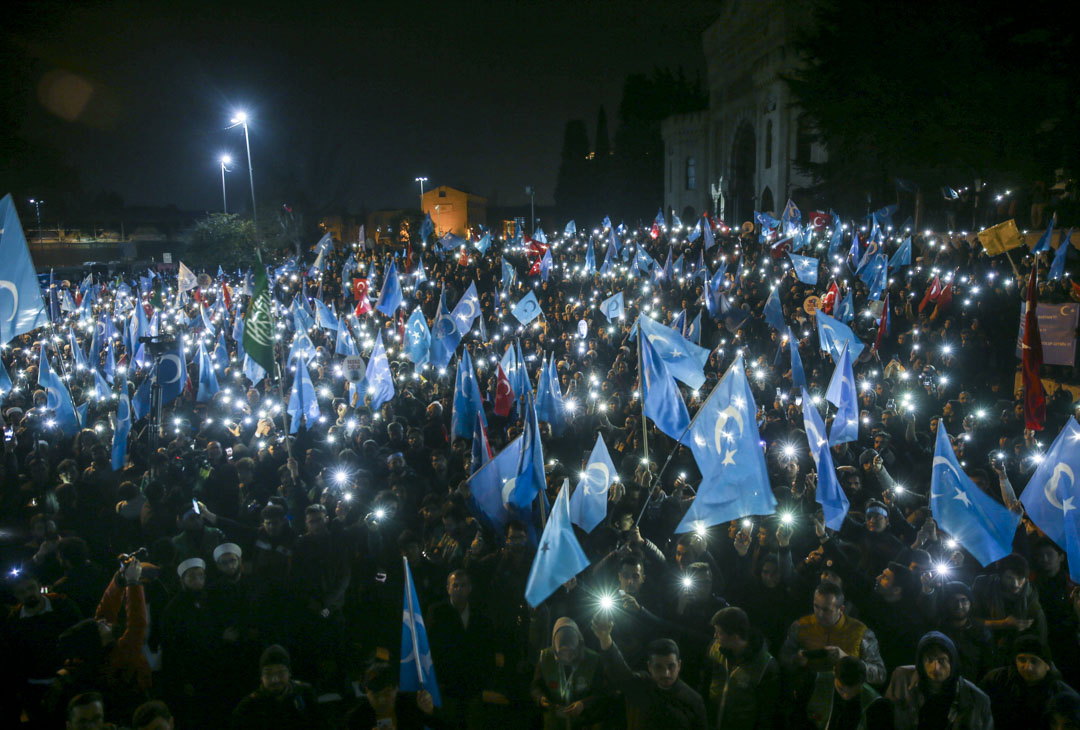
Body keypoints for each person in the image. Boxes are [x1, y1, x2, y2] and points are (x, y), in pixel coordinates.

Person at [590, 612, 707, 729]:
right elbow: (620, 672)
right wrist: (605, 638)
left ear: (679, 665)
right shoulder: (643, 686)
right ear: (649, 666)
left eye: (671, 666)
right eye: (659, 667)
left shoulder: (693, 700)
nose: (666, 673)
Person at [779, 581, 887, 687]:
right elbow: (783, 657)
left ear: (841, 609)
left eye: (826, 610)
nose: (819, 614)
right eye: (816, 606)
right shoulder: (800, 626)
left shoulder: (861, 633)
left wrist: (848, 662)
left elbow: (880, 675)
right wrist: (795, 660)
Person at [884, 631, 992, 729]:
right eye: (929, 659)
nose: (935, 667)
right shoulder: (901, 679)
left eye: (942, 660)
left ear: (952, 662)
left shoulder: (977, 700)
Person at [981, 635, 1080, 730]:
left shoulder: (1060, 693)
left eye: (1034, 661)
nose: (1027, 667)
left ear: (1047, 665)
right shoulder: (996, 679)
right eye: (1022, 660)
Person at [705, 606, 781, 729]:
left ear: (734, 637)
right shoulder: (715, 649)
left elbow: (766, 713)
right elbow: (706, 681)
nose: (715, 636)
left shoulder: (765, 666)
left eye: (719, 632)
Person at [530, 616, 607, 728]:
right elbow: (535, 687)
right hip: (554, 722)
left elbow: (602, 692)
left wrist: (583, 704)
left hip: (584, 722)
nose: (566, 658)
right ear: (555, 647)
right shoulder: (545, 657)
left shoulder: (593, 659)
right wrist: (541, 699)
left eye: (570, 652)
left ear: (578, 645)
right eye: (562, 652)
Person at [233, 644, 325, 729]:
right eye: (268, 674)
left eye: (280, 672)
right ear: (261, 676)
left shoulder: (305, 693)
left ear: (289, 673)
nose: (275, 679)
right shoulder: (248, 706)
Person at [344, 661, 443, 729]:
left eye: (387, 693)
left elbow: (444, 725)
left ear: (397, 689)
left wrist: (429, 711)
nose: (382, 700)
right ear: (366, 692)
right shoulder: (356, 718)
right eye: (375, 695)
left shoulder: (411, 706)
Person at [795, 655, 880, 730]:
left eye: (853, 692)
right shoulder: (814, 683)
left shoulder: (874, 704)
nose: (846, 696)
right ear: (834, 672)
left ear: (862, 683)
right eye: (841, 689)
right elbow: (797, 718)